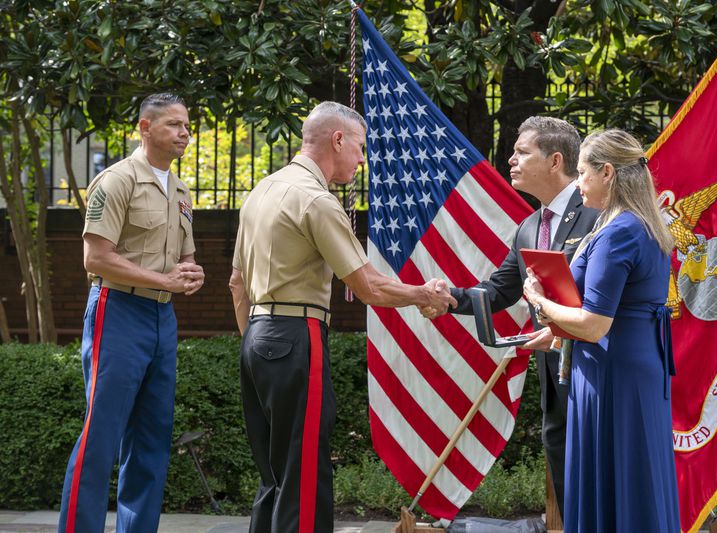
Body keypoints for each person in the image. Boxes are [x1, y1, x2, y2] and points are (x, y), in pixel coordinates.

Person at [228, 101, 456, 533]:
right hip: (298, 334)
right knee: (304, 470)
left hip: (255, 338)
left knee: (274, 472)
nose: (362, 159)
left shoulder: (261, 191)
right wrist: (424, 293)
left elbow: (237, 285)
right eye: (361, 147)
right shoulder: (316, 200)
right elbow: (370, 287)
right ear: (338, 140)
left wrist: (256, 343)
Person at [421, 116, 598, 519]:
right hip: (554, 373)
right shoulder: (529, 226)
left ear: (555, 161)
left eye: (522, 152)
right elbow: (500, 291)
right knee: (564, 469)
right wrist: (450, 298)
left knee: (599, 475)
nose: (510, 160)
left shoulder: (597, 212)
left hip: (596, 370)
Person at [58, 93, 205, 533]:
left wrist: (192, 275)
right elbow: (95, 258)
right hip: (117, 310)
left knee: (152, 438)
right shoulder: (115, 181)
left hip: (162, 320)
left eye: (186, 125)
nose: (184, 133)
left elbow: (186, 257)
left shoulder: (180, 190)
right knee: (102, 434)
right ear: (145, 127)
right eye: (174, 125)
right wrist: (164, 281)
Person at [523, 129, 680, 532]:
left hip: (612, 372)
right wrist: (558, 331)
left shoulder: (618, 233)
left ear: (607, 172)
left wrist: (541, 303)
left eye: (581, 173)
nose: (577, 184)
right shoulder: (640, 224)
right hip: (633, 366)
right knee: (635, 480)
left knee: (616, 480)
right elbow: (618, 312)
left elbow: (594, 324)